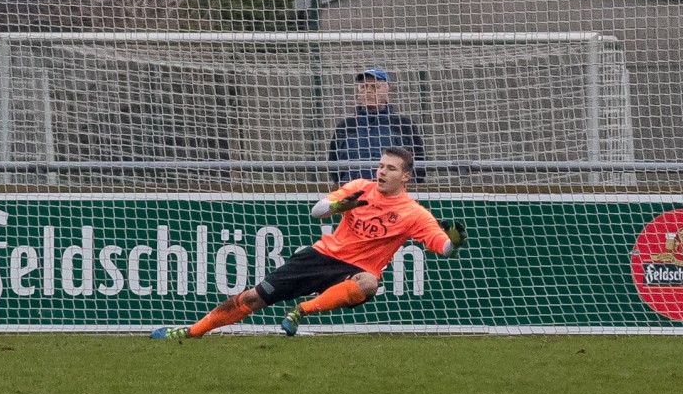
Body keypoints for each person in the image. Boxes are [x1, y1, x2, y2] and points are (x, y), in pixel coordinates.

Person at [150, 146, 465, 340]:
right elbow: (316, 211)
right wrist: (339, 206)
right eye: (381, 166)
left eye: (390, 168)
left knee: (369, 282)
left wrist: (455, 241)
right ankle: (192, 331)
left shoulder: (414, 214)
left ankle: (301, 311)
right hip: (321, 255)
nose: (381, 172)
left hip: (354, 270)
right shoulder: (359, 187)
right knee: (255, 297)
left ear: (406, 177)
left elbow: (445, 248)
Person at [327, 67, 427, 183]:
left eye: (375, 87)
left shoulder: (403, 125)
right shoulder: (345, 126)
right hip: (355, 195)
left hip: (393, 195)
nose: (368, 91)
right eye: (363, 87)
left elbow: (419, 164)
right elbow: (334, 166)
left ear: (387, 92)